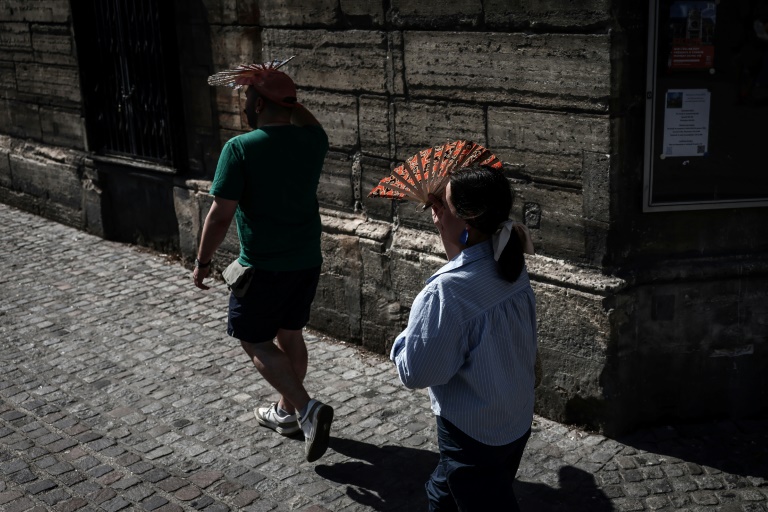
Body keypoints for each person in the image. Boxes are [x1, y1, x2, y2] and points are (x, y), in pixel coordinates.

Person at [193, 65, 333, 463]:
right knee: (291, 334)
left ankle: (307, 409)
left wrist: (203, 261)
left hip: (262, 266)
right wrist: (279, 89)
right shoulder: (313, 140)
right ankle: (286, 413)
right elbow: (302, 115)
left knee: (253, 339)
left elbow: (220, 216)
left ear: (255, 105)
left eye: (247, 100)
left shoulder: (240, 149)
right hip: (306, 260)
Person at [390, 164, 537, 511]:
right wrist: (449, 228)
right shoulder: (511, 262)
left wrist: (404, 341)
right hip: (513, 420)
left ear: (468, 219)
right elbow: (470, 267)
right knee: (441, 496)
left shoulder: (445, 292)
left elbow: (417, 373)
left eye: (444, 203)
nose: (437, 209)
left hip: (474, 435)